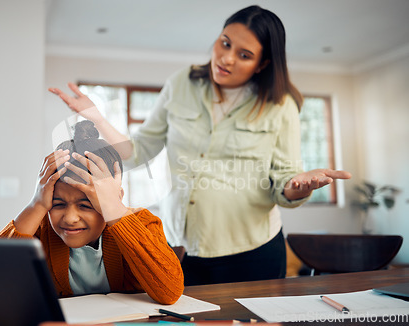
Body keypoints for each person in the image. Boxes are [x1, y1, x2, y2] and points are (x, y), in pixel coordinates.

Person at [48, 5, 351, 286]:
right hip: (183, 250)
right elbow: (138, 151)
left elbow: (284, 181)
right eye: (225, 42)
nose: (226, 58)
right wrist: (95, 117)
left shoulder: (280, 105)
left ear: (263, 64)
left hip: (252, 251)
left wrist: (298, 187)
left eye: (245, 55)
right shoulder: (182, 83)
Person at [0, 120, 184, 304]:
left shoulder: (143, 223)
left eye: (86, 205)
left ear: (115, 198)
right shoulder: (39, 231)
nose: (70, 219)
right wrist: (35, 205)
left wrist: (113, 207)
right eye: (58, 204)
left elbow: (170, 292)